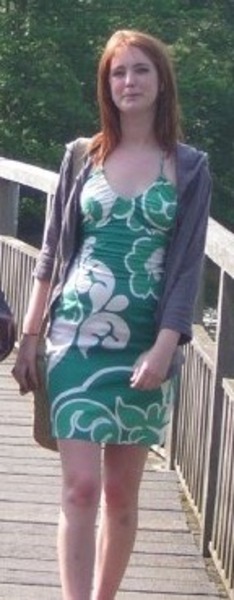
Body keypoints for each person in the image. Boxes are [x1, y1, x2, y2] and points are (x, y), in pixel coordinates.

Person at [12, 29, 211, 600]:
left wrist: (166, 344)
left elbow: (188, 268)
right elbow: (51, 252)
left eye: (141, 70)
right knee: (79, 489)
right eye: (118, 72)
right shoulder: (82, 156)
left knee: (122, 496)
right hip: (73, 338)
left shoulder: (189, 167)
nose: (129, 81)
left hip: (146, 345)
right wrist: (31, 335)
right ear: (106, 84)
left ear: (160, 82)